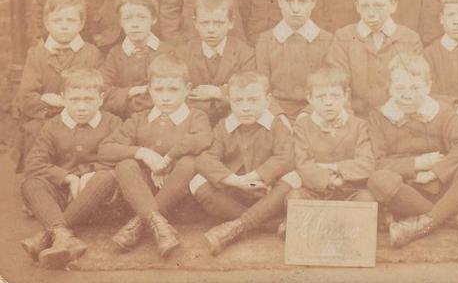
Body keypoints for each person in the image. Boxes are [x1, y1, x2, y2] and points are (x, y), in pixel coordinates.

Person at [367, 54, 458, 247]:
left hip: (445, 184)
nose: (408, 95)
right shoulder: (378, 116)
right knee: (378, 180)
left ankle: (425, 222)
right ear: (390, 88)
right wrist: (417, 164)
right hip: (407, 188)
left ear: (428, 87)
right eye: (399, 88)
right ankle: (453, 219)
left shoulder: (442, 111)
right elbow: (379, 162)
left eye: (415, 88)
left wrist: (435, 172)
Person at [98, 54, 213, 258]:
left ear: (187, 89)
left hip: (180, 199)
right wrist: (143, 153)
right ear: (149, 90)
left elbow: (203, 139)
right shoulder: (139, 118)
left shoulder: (196, 116)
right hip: (143, 195)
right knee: (125, 164)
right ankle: (158, 224)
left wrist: (167, 160)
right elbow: (105, 149)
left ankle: (141, 223)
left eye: (173, 89)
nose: (165, 97)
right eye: (159, 90)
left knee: (189, 162)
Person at [20, 68, 122, 269]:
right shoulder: (53, 125)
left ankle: (50, 235)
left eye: (88, 100)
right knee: (30, 184)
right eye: (74, 100)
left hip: (100, 201)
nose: (81, 107)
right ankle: (63, 237)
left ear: (101, 99)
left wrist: (90, 174)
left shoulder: (113, 123)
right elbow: (34, 163)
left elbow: (118, 157)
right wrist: (68, 177)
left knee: (106, 178)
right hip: (64, 199)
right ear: (63, 99)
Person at [190, 71, 295, 255]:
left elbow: (286, 157)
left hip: (263, 188)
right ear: (230, 101)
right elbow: (206, 158)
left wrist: (255, 177)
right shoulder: (223, 126)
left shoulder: (276, 125)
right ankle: (267, 224)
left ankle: (237, 226)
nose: (245, 108)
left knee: (293, 178)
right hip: (235, 188)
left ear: (267, 100)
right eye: (238, 101)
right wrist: (236, 181)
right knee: (197, 181)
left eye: (253, 100)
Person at [15, 0, 103, 167]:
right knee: (35, 135)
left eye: (71, 20)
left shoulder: (91, 54)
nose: (64, 26)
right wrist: (46, 105)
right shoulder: (36, 54)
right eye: (57, 21)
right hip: (45, 119)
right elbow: (26, 97)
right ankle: (39, 174)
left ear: (81, 24)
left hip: (81, 116)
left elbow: (99, 91)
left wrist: (64, 103)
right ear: (47, 24)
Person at [326, 0, 422, 116]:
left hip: (398, 119)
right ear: (357, 5)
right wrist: (352, 124)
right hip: (355, 120)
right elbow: (337, 86)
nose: (371, 13)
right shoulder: (343, 37)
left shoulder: (410, 39)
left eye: (378, 6)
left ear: (393, 5)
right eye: (365, 6)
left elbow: (416, 88)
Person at [287, 66, 376, 203]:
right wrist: (328, 180)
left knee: (367, 199)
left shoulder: (359, 125)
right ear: (309, 98)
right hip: (315, 190)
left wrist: (336, 168)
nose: (328, 103)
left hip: (349, 190)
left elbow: (366, 163)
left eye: (335, 96)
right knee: (295, 197)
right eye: (321, 97)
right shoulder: (302, 126)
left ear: (346, 95)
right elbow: (302, 163)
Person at [174, 0, 255, 125]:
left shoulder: (245, 53)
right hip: (193, 121)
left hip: (234, 121)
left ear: (231, 23)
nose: (211, 29)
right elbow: (178, 94)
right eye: (205, 23)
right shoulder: (183, 54)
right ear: (195, 23)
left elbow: (249, 91)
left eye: (218, 23)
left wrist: (218, 93)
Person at [100, 0, 166, 119]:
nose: (135, 24)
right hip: (124, 120)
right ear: (120, 21)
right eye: (128, 18)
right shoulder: (115, 55)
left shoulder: (167, 52)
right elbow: (101, 91)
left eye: (141, 18)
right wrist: (130, 92)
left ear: (153, 19)